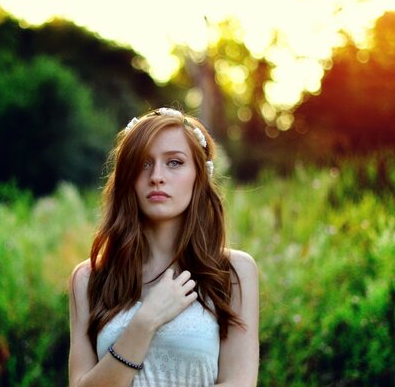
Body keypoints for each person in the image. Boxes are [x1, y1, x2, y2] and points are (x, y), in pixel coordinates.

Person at [68, 107, 259, 386]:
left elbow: (239, 382)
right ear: (128, 178)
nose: (157, 176)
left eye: (174, 162)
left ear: (199, 176)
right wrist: (144, 323)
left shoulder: (234, 272)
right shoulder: (89, 278)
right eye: (144, 163)